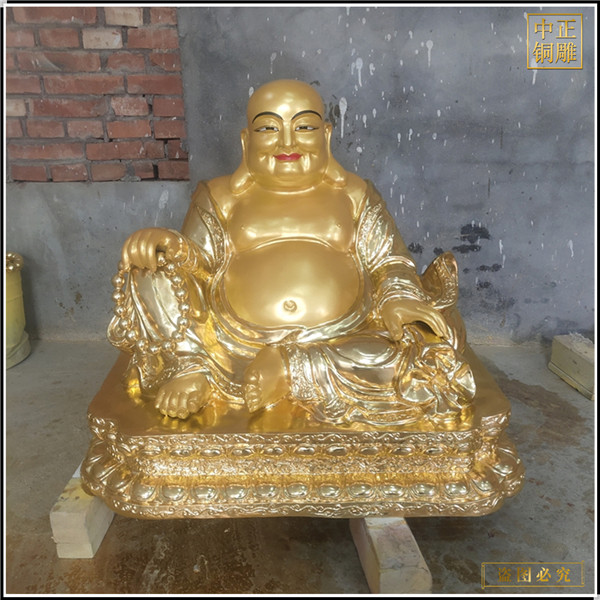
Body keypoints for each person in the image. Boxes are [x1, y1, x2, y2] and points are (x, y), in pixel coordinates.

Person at [109, 79, 475, 427]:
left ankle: (289, 369)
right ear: (246, 140)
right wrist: (172, 246)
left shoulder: (354, 194)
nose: (287, 141)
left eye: (304, 127)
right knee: (149, 270)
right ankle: (194, 367)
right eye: (269, 128)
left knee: (418, 353)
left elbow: (388, 261)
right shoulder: (221, 196)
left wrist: (399, 299)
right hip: (231, 340)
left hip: (343, 334)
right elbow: (199, 268)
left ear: (326, 136)